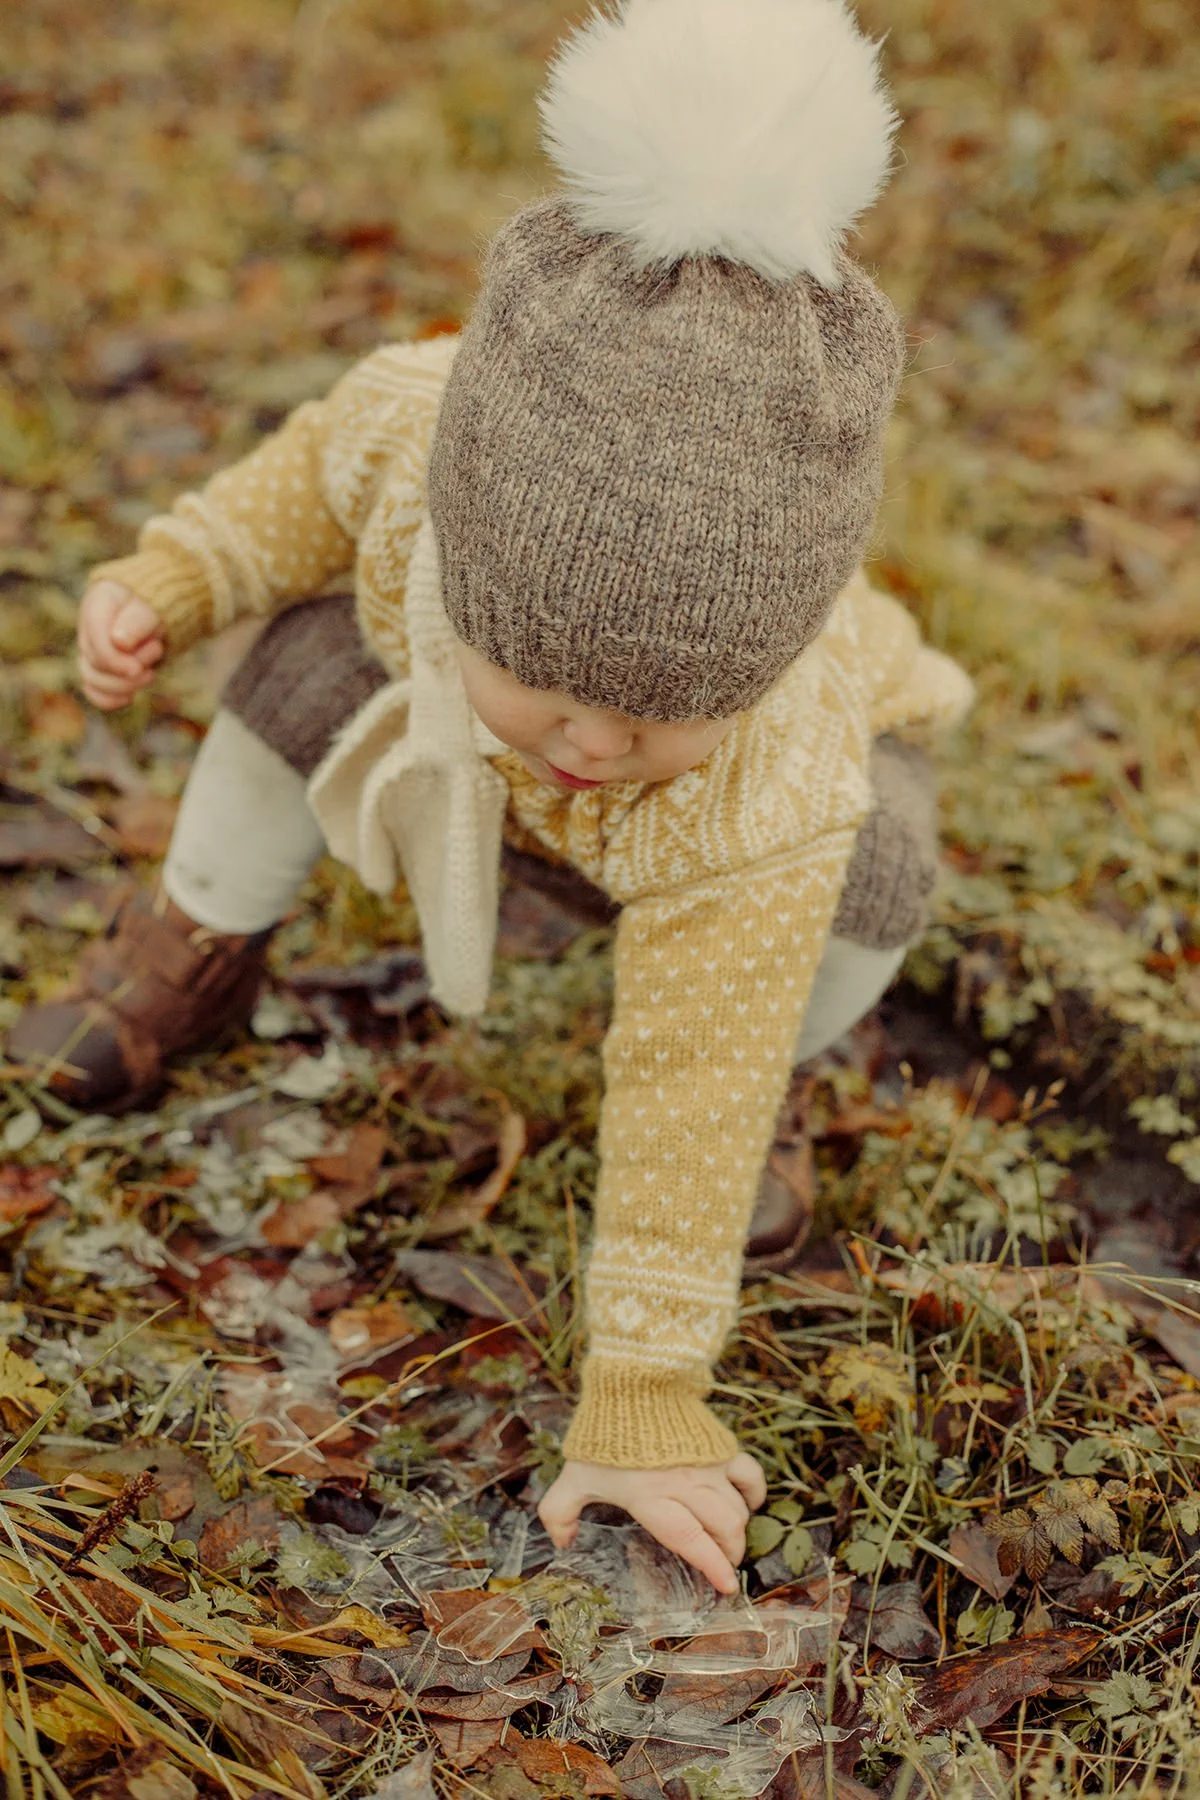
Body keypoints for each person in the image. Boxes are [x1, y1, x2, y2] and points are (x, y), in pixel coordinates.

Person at [8, 0, 975, 1593]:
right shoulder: (418, 428)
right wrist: (169, 582)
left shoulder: (760, 765)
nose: (595, 739)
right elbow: (289, 494)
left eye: (661, 709)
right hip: (471, 777)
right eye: (559, 687)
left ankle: (797, 1076)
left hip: (761, 867)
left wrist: (646, 1392)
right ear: (473, 551)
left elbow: (681, 1067)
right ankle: (186, 945)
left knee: (876, 869)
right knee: (307, 655)